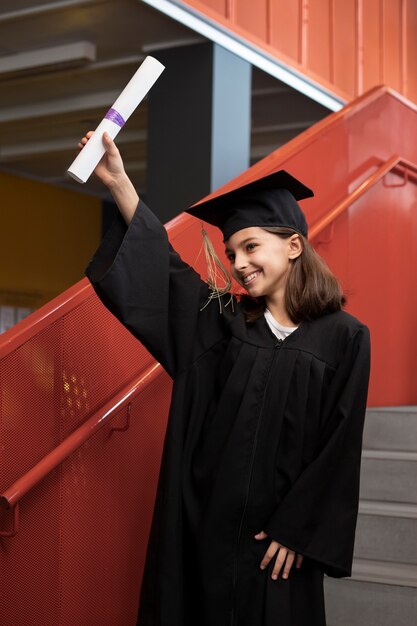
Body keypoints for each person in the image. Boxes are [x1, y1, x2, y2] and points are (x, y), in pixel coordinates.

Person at [82, 131, 371, 626]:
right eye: (232, 251)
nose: (239, 264)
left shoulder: (344, 338)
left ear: (295, 245)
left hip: (278, 547)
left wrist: (297, 529)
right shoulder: (221, 325)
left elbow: (339, 447)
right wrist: (119, 181)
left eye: (252, 246)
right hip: (207, 536)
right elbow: (162, 272)